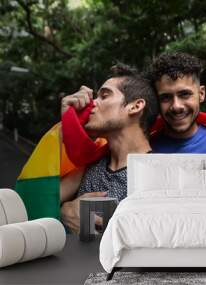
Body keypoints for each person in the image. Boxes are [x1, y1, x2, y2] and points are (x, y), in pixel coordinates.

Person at [60, 63, 159, 233]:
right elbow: (35, 204)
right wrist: (63, 212)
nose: (91, 105)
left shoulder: (160, 175)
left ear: (135, 106)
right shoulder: (89, 165)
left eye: (104, 96)